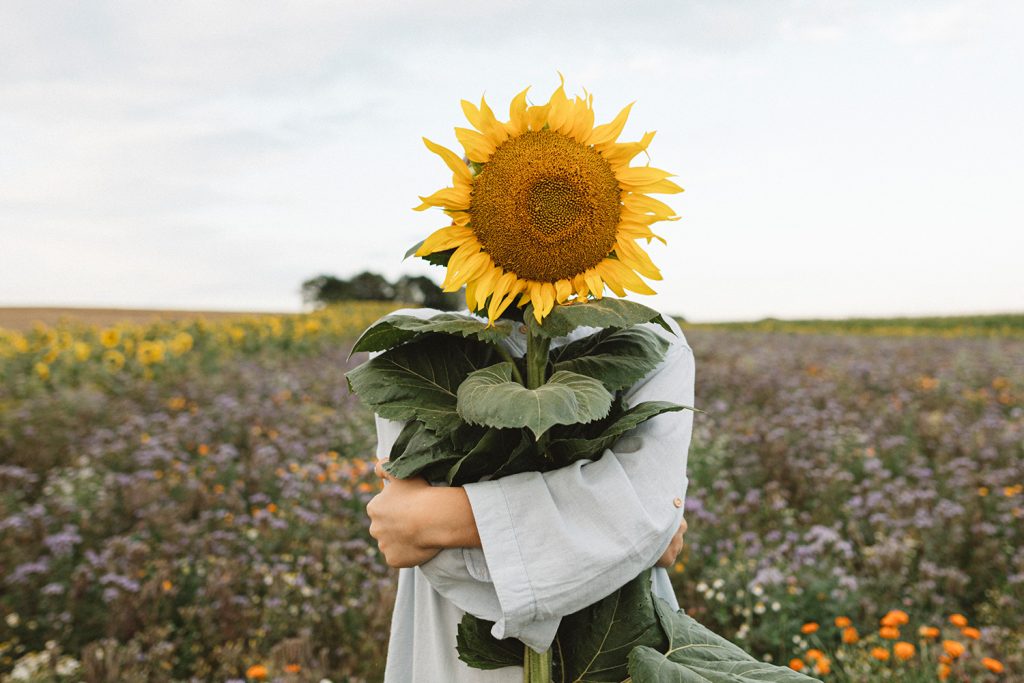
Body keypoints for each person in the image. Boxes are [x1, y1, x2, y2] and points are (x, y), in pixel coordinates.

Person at [365, 304, 696, 681]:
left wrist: (438, 518)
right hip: (458, 637)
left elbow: (644, 515)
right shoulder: (413, 338)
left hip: (617, 638)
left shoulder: (649, 337)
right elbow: (434, 556)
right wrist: (621, 533)